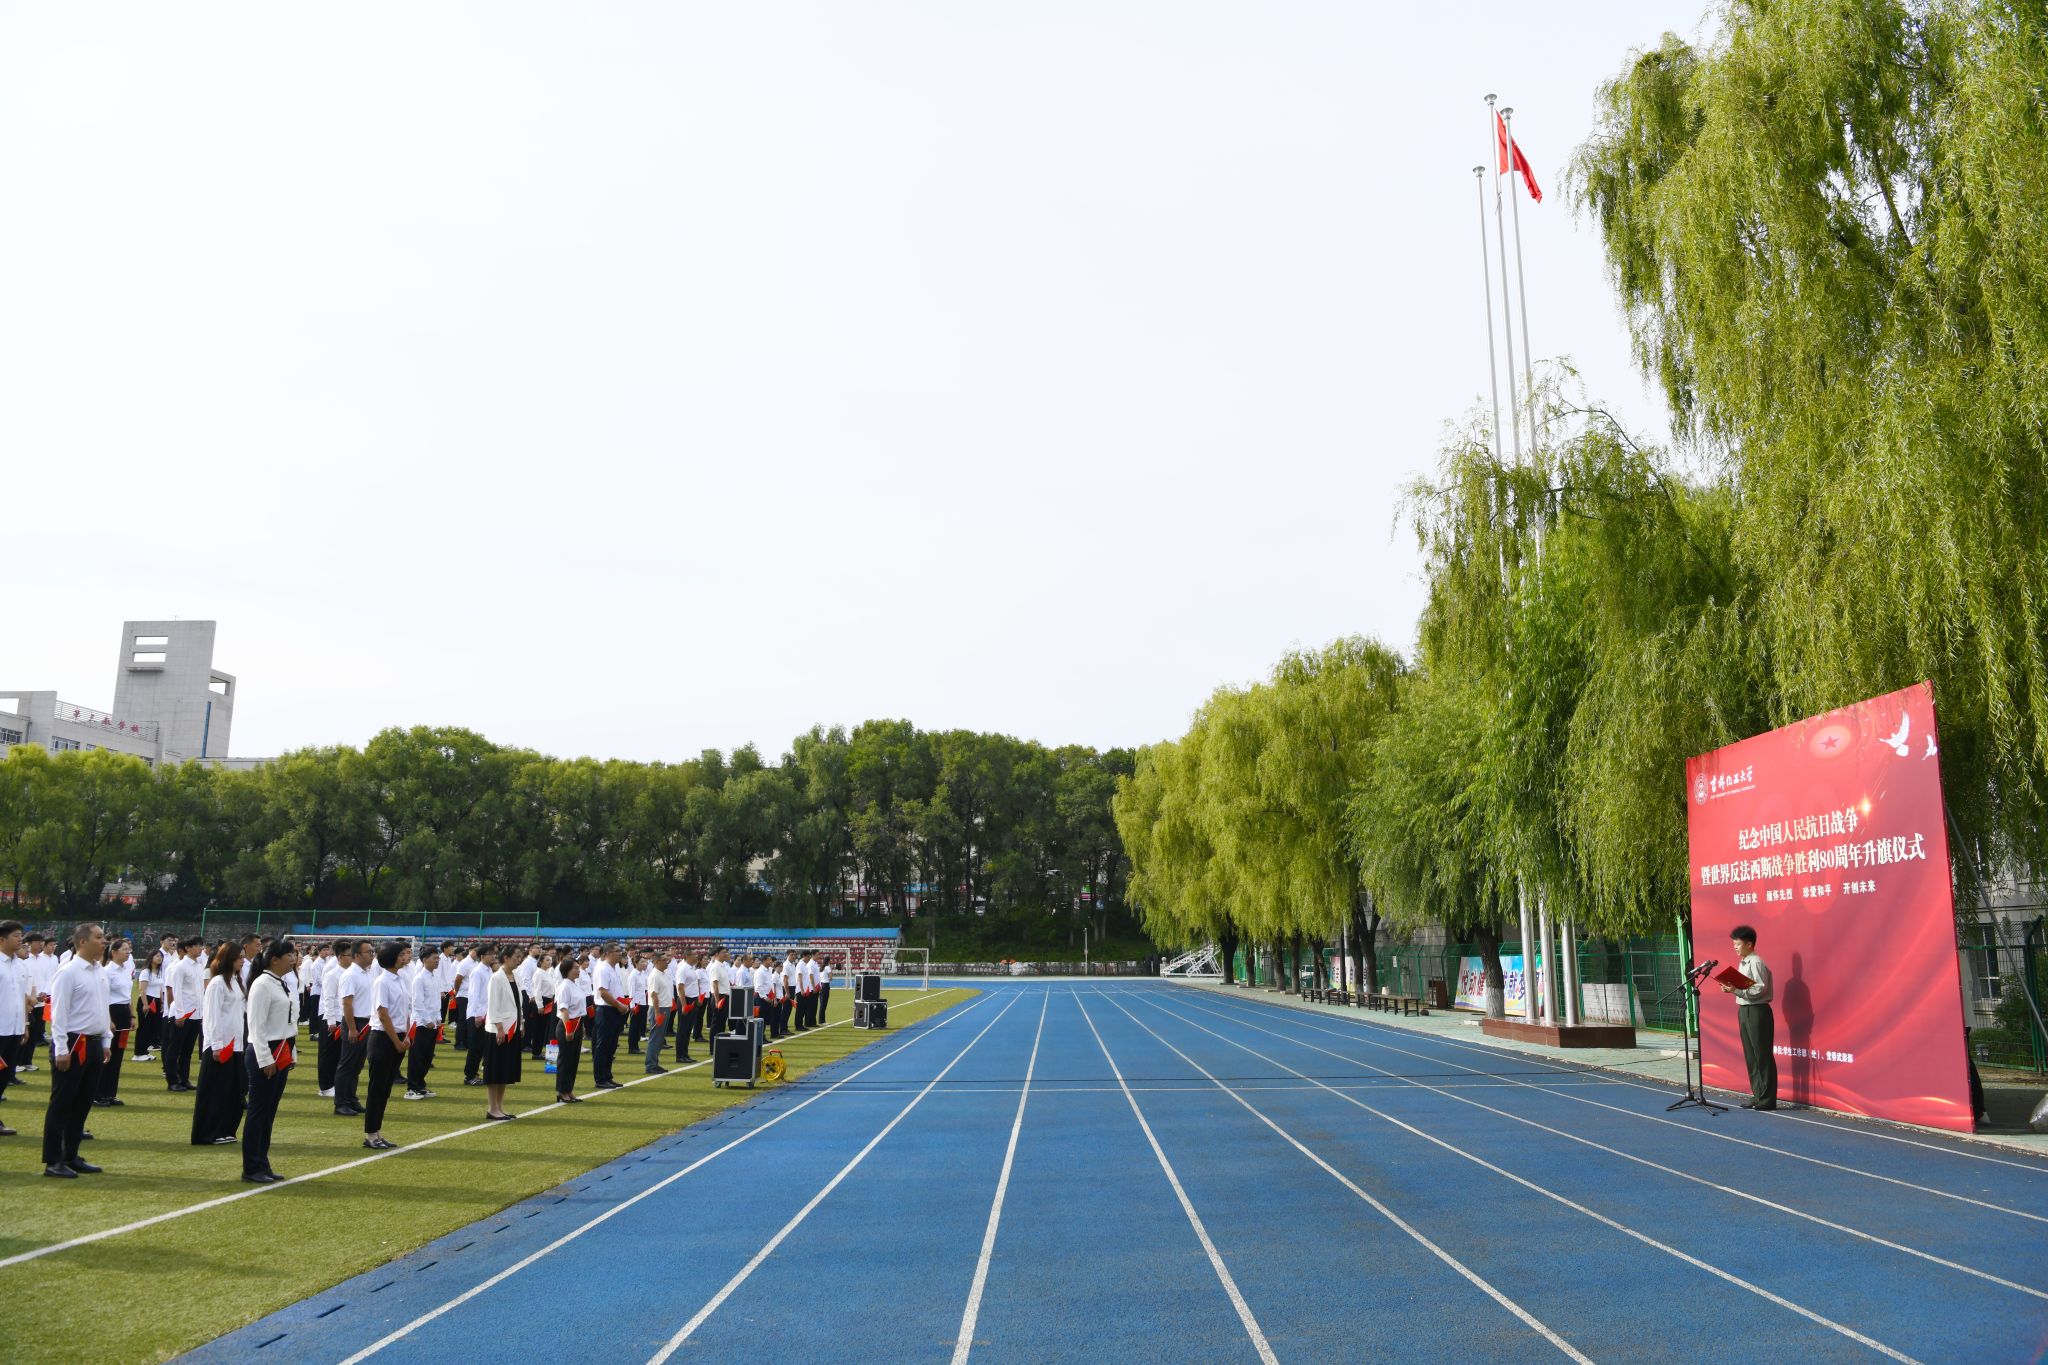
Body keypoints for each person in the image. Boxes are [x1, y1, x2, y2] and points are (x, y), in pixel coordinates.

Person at [44, 922, 111, 1177]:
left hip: (93, 1041)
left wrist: (105, 1041)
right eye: (99, 937)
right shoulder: (68, 972)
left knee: (82, 1103)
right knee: (62, 1103)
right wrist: (61, 1048)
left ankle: (71, 1155)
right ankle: (53, 1160)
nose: (104, 941)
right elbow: (59, 1013)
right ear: (83, 941)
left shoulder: (99, 971)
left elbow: (102, 1008)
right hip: (74, 1042)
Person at [242, 937, 299, 1184]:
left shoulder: (280, 982)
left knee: (268, 1113)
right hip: (265, 1051)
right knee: (258, 1111)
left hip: (281, 1048)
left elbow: (287, 1022)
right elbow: (256, 1026)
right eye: (289, 955)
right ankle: (251, 1167)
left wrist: (291, 1054)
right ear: (275, 959)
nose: (293, 959)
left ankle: (262, 1163)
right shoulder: (262, 984)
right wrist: (265, 1059)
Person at [191, 941, 248, 1145]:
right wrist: (216, 1044)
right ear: (228, 959)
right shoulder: (217, 983)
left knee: (234, 1090)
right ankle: (207, 1133)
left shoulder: (236, 981)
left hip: (236, 1044)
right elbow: (212, 1016)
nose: (243, 961)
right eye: (239, 957)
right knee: (215, 1091)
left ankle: (225, 1129)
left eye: (243, 957)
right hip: (221, 1045)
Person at [1722, 924, 1778, 1111]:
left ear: (1749, 944)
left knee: (1762, 1054)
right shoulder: (1744, 962)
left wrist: (1736, 990)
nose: (1735, 947)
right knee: (1751, 1055)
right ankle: (1758, 1094)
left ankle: (1768, 1099)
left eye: (1738, 944)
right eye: (1734, 944)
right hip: (1744, 1009)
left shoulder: (1756, 962)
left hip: (1757, 1010)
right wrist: (1731, 989)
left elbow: (1759, 988)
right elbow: (1745, 988)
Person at [362, 941, 411, 1149]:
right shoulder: (382, 981)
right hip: (383, 1038)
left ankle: (377, 1132)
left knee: (385, 1089)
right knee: (377, 1088)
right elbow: (383, 1014)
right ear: (392, 958)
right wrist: (397, 1041)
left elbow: (405, 1010)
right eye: (401, 955)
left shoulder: (400, 979)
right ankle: (370, 1134)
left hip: (398, 1036)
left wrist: (406, 1036)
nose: (405, 957)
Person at [333, 940, 373, 1117]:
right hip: (355, 1022)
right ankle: (341, 1103)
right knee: (347, 1064)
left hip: (366, 1022)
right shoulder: (350, 975)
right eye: (368, 952)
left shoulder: (367, 973)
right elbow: (347, 1003)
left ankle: (351, 1099)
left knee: (357, 1065)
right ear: (357, 955)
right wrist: (351, 1028)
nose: (372, 955)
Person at [481, 950, 523, 1120]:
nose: (519, 960)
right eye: (516, 957)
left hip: (513, 1028)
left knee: (505, 1070)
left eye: (520, 957)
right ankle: (492, 1108)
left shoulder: (516, 976)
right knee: (495, 1070)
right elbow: (493, 1005)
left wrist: (521, 1023)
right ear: (506, 958)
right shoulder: (496, 978)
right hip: (499, 1030)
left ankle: (499, 1107)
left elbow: (518, 1003)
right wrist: (499, 1028)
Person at [94, 937, 136, 1107]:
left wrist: (132, 1016)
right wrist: (109, 1020)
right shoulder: (106, 971)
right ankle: (98, 1094)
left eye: (128, 949)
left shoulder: (126, 970)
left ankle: (110, 1093)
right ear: (114, 952)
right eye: (124, 949)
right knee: (106, 1054)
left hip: (124, 1013)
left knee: (118, 1055)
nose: (128, 952)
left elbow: (128, 996)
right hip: (111, 1013)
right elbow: (103, 997)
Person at [163, 937, 205, 1091]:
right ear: (187, 948)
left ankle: (184, 1079)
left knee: (187, 1050)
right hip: (183, 1013)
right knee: (175, 1049)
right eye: (197, 946)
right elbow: (177, 991)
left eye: (201, 946)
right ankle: (173, 1081)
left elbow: (200, 991)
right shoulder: (180, 967)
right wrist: (180, 1014)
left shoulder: (199, 966)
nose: (200, 948)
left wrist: (201, 1013)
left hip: (195, 1014)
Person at [404, 944, 444, 1100]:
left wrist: (438, 1018)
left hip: (433, 1023)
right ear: (424, 959)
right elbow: (417, 1003)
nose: (437, 961)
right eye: (434, 958)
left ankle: (420, 1085)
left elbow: (436, 1001)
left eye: (438, 958)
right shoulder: (419, 979)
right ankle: (412, 1088)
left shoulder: (435, 976)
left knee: (427, 1057)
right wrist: (427, 1020)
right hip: (421, 1024)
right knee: (417, 1056)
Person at [0, 921, 26, 1134]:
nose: (20, 939)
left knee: (4, 1077)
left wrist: (25, 1025)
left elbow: (20, 998)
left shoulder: (20, 965)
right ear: (2, 939)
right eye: (16, 936)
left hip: (15, 1030)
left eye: (21, 935)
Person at [553, 955, 588, 1102]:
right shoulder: (564, 986)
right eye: (575, 968)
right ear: (567, 970)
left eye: (578, 968)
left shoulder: (575, 984)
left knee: (574, 1060)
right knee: (565, 1060)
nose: (578, 970)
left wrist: (581, 1026)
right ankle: (562, 1091)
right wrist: (569, 1029)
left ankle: (569, 1089)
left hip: (577, 1023)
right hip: (568, 1024)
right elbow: (564, 1009)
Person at [316, 939, 348, 1099]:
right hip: (332, 1017)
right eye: (350, 955)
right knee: (328, 1054)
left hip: (343, 1016)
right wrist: (331, 1021)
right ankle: (325, 1086)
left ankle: (335, 1082)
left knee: (339, 1054)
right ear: (341, 956)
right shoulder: (332, 972)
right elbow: (328, 998)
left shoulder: (348, 972)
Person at [463, 945, 498, 1086]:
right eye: (491, 954)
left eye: (494, 954)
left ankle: (475, 1073)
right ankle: (469, 1076)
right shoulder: (477, 972)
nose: (494, 957)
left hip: (486, 1013)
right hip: (476, 1014)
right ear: (482, 956)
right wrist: (477, 1014)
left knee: (482, 1046)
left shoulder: (489, 970)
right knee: (475, 1047)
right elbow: (474, 994)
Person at [642, 951, 672, 1075]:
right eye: (665, 960)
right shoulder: (654, 975)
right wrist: (657, 1012)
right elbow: (653, 995)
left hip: (665, 1008)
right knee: (655, 1038)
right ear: (657, 962)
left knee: (659, 1039)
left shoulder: (663, 974)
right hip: (659, 1009)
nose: (667, 962)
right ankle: (650, 1065)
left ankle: (654, 1063)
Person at [135, 944, 166, 1062]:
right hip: (147, 1001)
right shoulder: (146, 972)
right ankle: (138, 1053)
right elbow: (142, 990)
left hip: (156, 1001)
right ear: (151, 957)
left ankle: (145, 1052)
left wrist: (161, 1002)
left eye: (161, 956)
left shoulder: (159, 972)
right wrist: (145, 1004)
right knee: (144, 1028)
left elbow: (160, 989)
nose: (159, 958)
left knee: (153, 1028)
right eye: (157, 956)